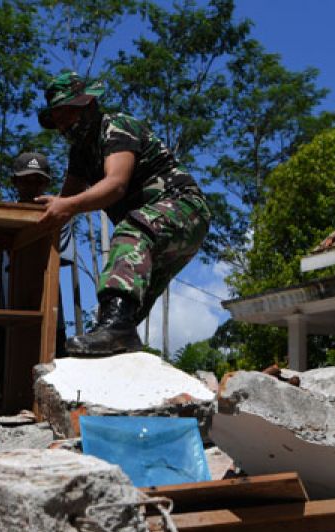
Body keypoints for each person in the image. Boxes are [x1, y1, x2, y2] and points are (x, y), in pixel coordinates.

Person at [35, 70, 211, 356]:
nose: (63, 124)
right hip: (154, 233)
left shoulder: (116, 127)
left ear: (88, 105)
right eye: (57, 118)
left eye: (67, 113)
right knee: (120, 315)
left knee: (131, 231)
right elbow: (64, 203)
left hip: (183, 208)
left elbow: (115, 185)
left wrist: (66, 205)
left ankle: (116, 331)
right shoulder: (80, 153)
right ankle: (120, 354)